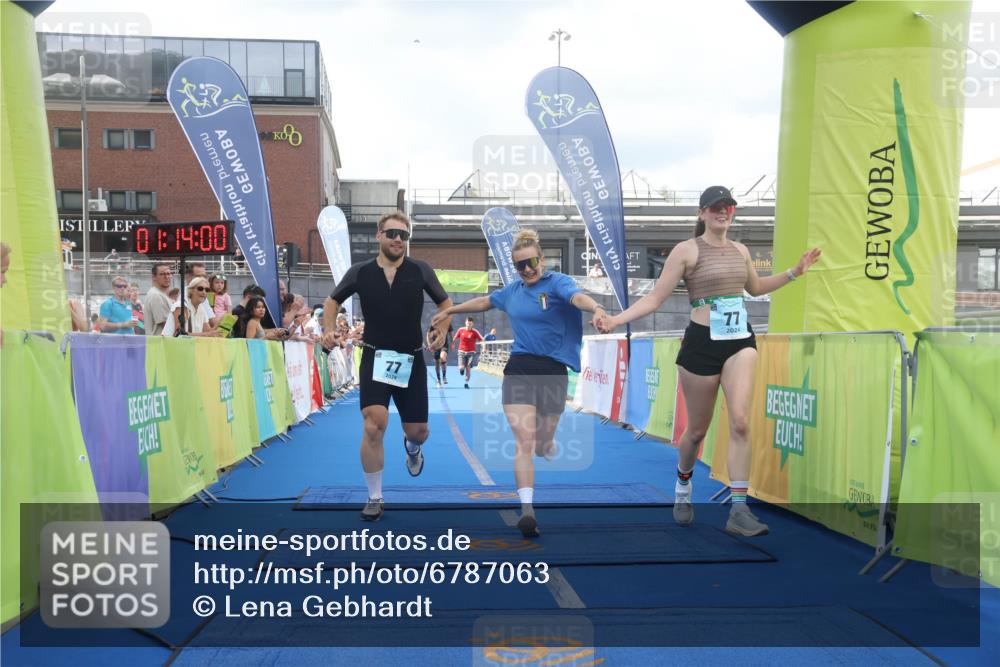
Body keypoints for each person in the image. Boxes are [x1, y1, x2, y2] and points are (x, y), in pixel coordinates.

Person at [596, 186, 821, 537]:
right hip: (701, 344)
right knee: (697, 431)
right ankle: (682, 485)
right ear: (702, 213)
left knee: (741, 421)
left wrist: (794, 272)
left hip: (739, 342)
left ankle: (739, 509)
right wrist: (615, 320)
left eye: (728, 206)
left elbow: (756, 288)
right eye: (716, 207)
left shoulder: (740, 250)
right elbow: (655, 299)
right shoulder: (686, 250)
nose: (723, 211)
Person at [432, 229, 607, 538]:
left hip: (553, 371)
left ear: (542, 259)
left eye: (531, 262)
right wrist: (450, 309)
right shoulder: (511, 292)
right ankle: (527, 510)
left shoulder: (557, 283)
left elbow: (577, 297)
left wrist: (597, 308)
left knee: (542, 443)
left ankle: (547, 443)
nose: (527, 269)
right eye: (520, 265)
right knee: (524, 441)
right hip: (520, 368)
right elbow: (484, 301)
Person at [321, 211, 453, 522]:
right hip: (375, 357)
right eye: (391, 233)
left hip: (411, 359)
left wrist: (441, 329)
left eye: (403, 235)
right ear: (379, 235)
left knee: (419, 431)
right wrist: (329, 328)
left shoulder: (420, 270)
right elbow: (331, 301)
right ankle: (374, 497)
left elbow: (446, 304)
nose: (397, 239)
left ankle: (412, 448)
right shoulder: (360, 272)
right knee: (374, 423)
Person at [143, 263, 174, 335]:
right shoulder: (156, 295)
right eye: (162, 274)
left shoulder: (160, 294)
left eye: (168, 274)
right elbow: (166, 325)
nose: (166, 277)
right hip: (159, 340)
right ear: (154, 277)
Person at [453, 317, 484, 388]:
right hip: (461, 352)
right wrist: (453, 343)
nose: (468, 325)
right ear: (465, 323)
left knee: (468, 368)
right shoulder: (461, 330)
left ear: (472, 324)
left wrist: (484, 347)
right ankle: (461, 370)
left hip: (471, 353)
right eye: (467, 323)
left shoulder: (475, 332)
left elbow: (482, 340)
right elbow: (455, 337)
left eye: (470, 324)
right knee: (461, 368)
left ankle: (466, 383)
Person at [427, 323, 453, 387]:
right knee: (437, 363)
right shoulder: (433, 323)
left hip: (444, 345)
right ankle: (439, 381)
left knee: (442, 357)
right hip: (435, 346)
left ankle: (444, 377)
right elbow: (428, 335)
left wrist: (452, 343)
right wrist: (429, 345)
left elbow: (451, 334)